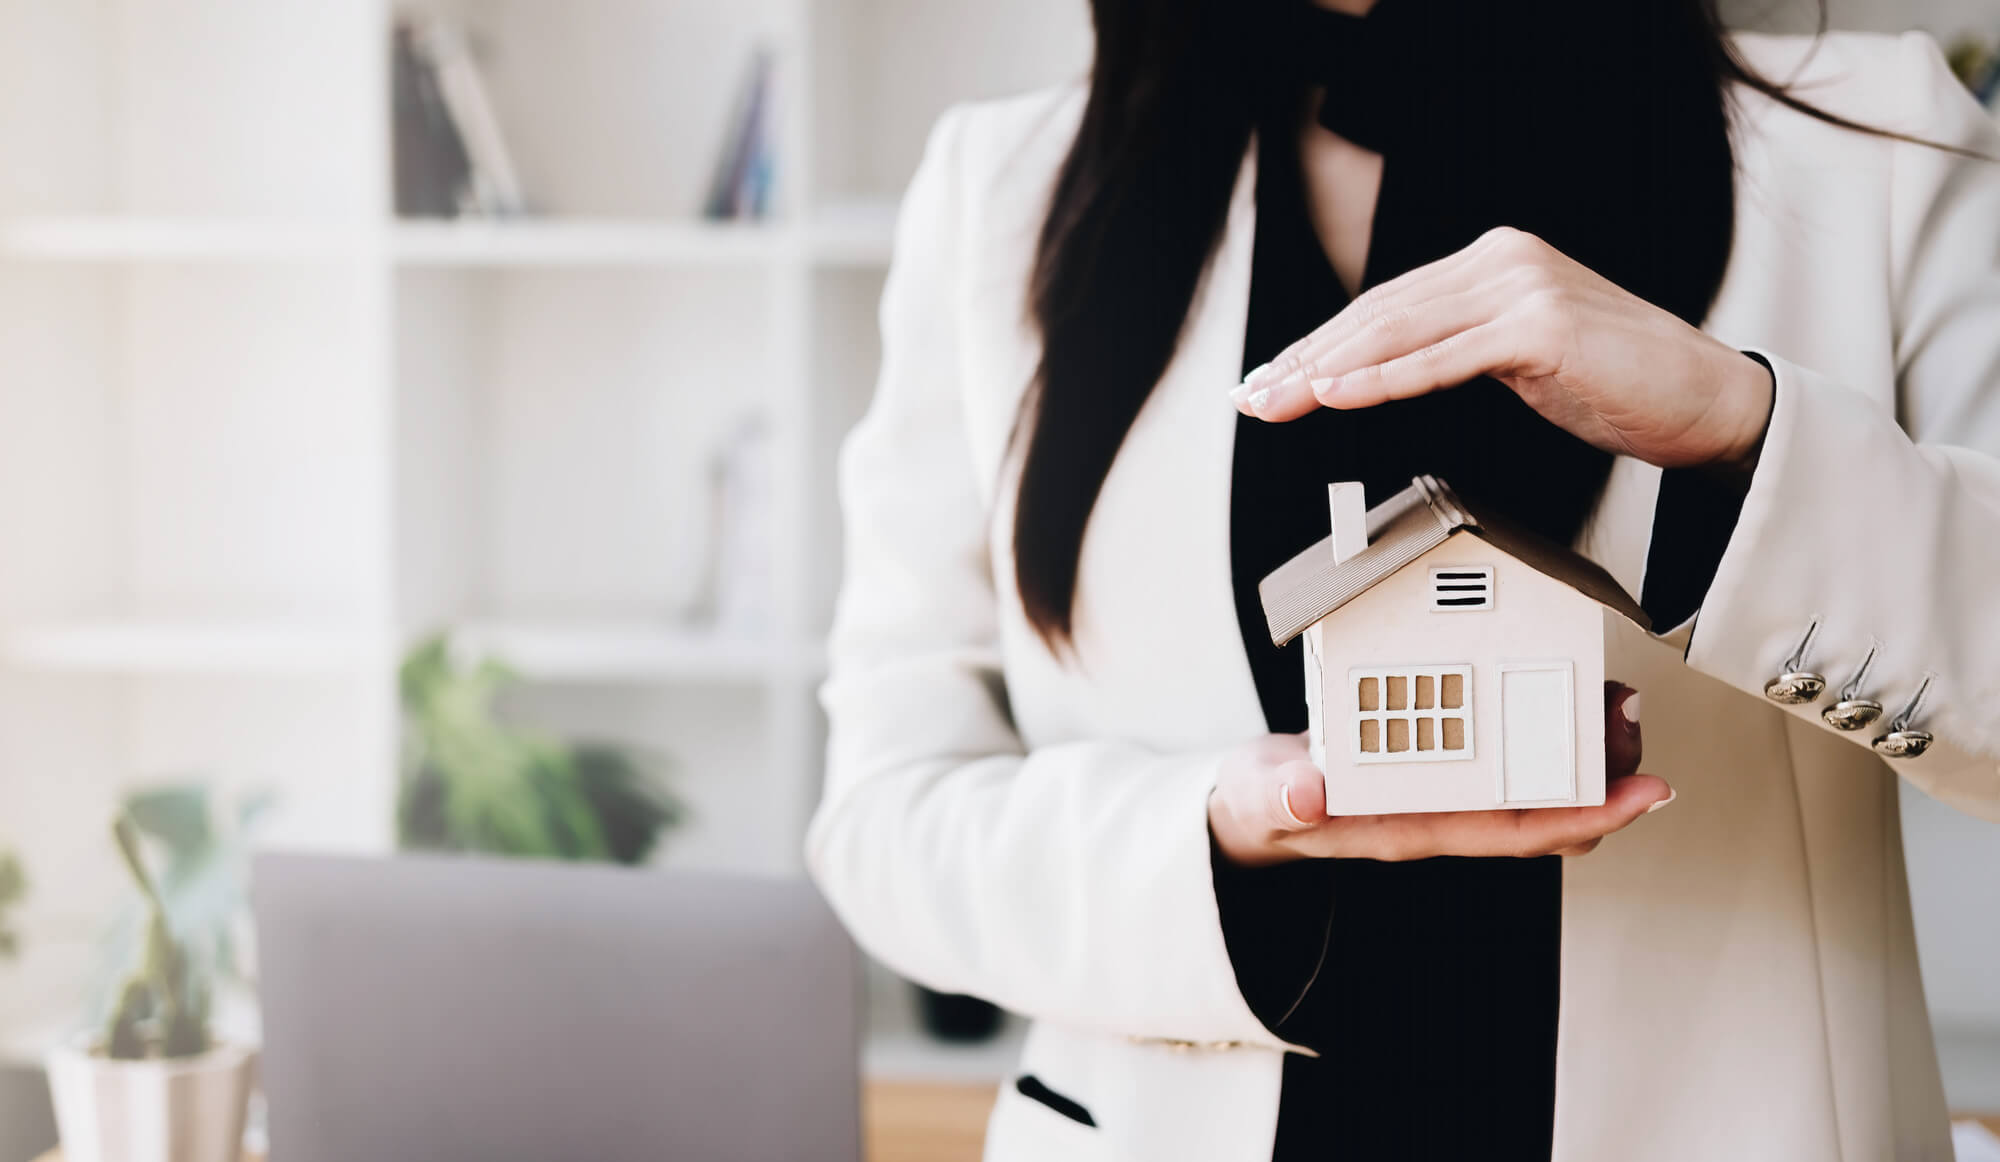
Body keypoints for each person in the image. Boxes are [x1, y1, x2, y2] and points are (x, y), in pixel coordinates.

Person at [807, 0, 2000, 1157]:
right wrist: (1212, 837)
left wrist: (1739, 429)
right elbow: (885, 814)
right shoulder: (1000, 187)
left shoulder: (1877, 140)